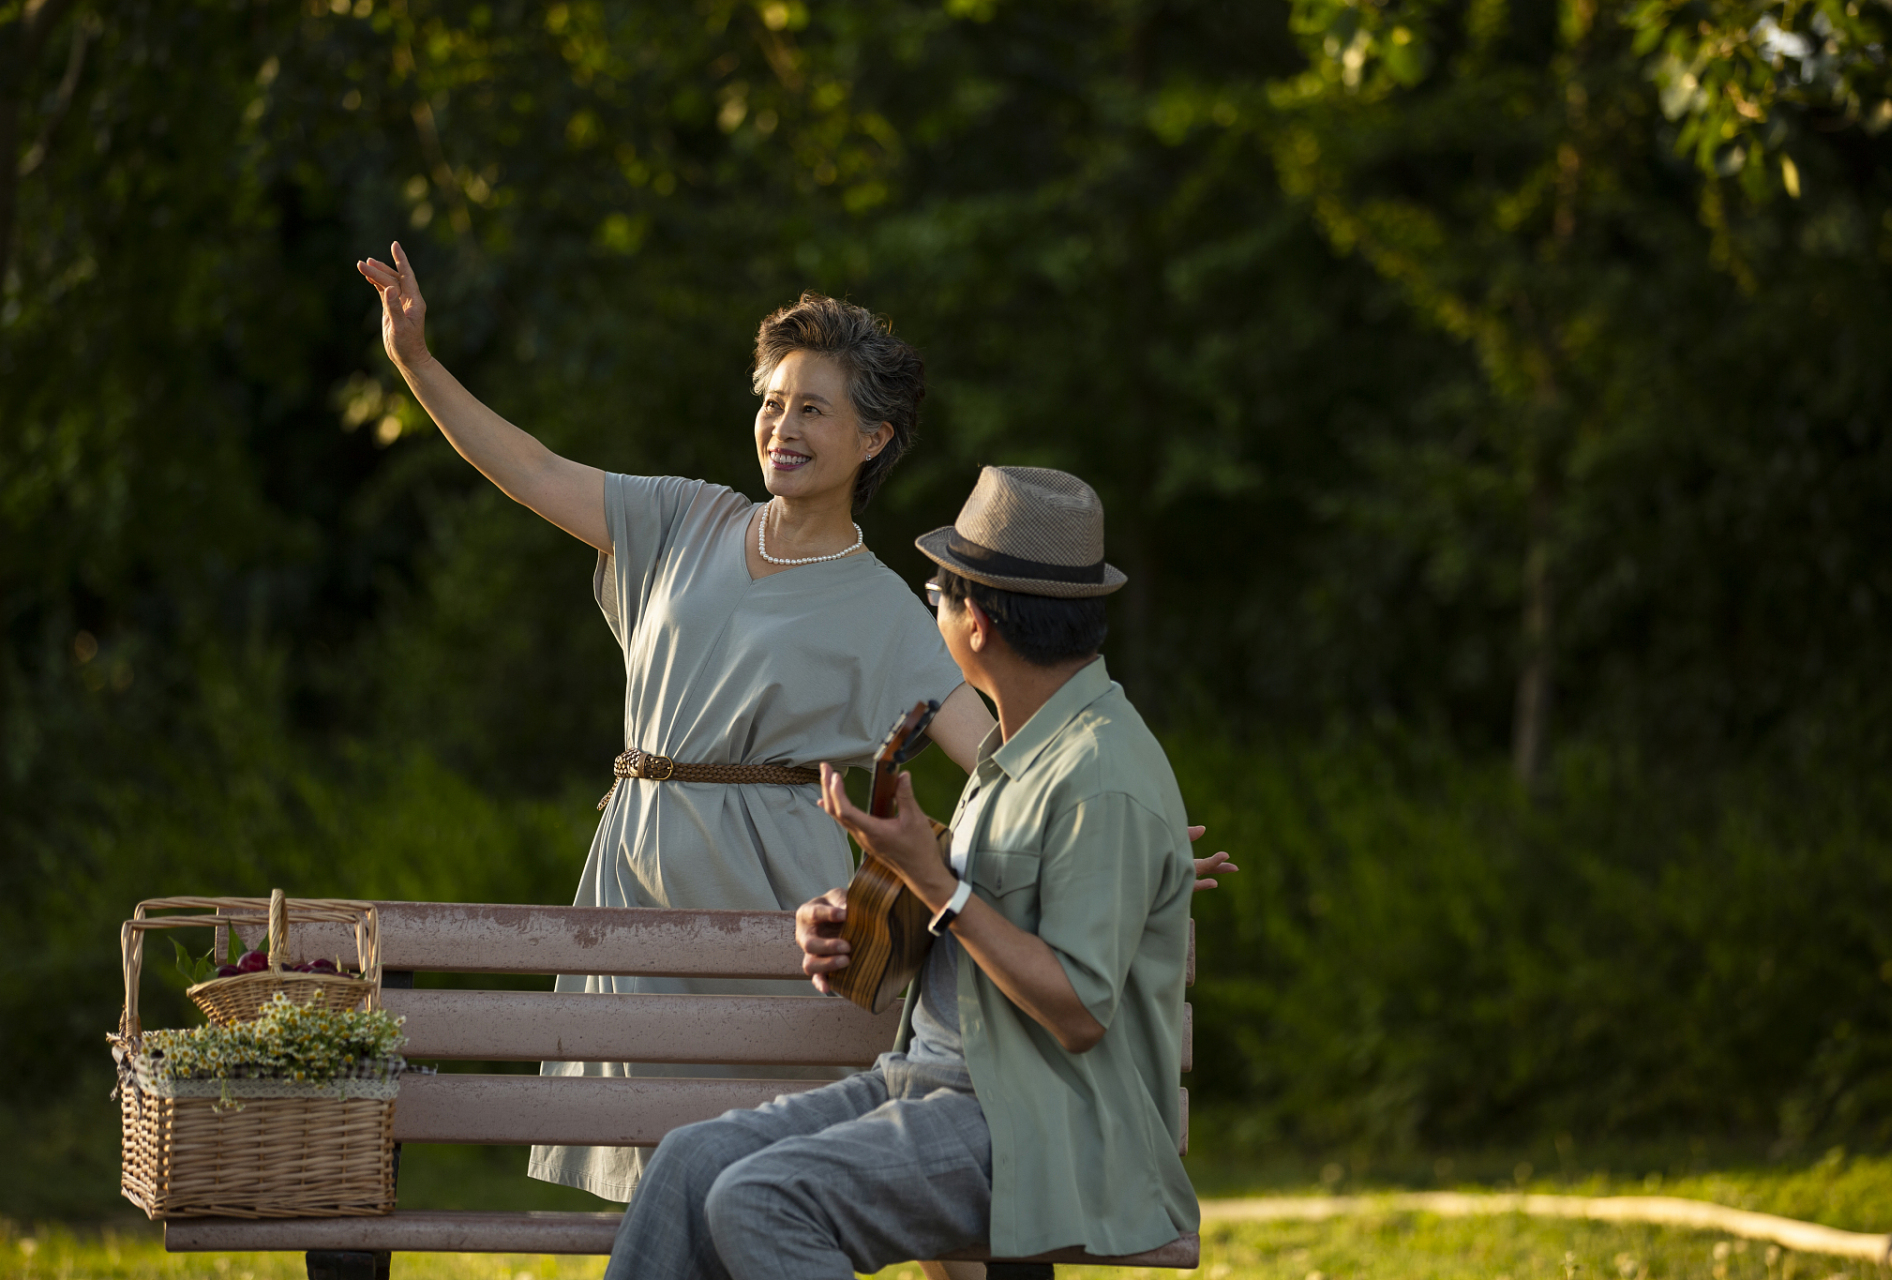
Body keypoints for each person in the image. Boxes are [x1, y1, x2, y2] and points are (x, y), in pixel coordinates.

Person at [354, 245, 1236, 1203]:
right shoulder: (680, 520)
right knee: (657, 1170)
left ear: (874, 440)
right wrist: (417, 363)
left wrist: (1108, 836)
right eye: (773, 401)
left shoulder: (894, 608)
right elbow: (528, 466)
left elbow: (997, 755)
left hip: (782, 916)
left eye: (814, 408)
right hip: (636, 878)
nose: (782, 425)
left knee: (792, 1161)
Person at [602, 465, 1199, 1280]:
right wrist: (862, 909)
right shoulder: (1024, 752)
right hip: (926, 1082)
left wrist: (938, 884)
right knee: (688, 1162)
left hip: (1031, 1121)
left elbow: (1079, 1009)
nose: (932, 609)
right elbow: (980, 913)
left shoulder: (1102, 771)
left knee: (762, 1200)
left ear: (978, 622)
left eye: (937, 593)